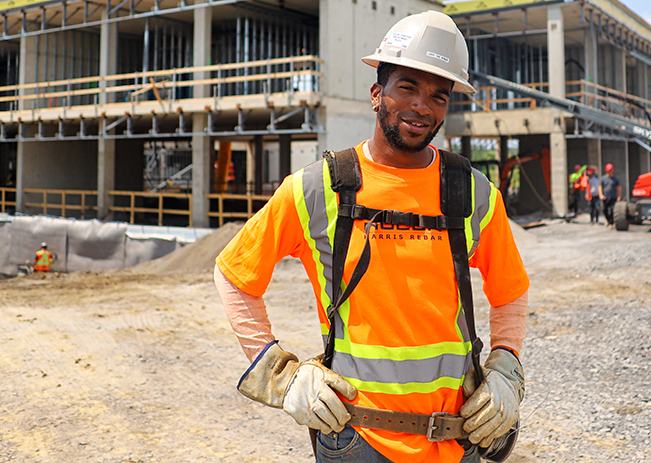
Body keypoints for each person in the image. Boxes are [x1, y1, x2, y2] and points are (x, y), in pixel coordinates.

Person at [215, 10, 530, 463]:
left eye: (438, 96)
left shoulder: (474, 194)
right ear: (376, 93)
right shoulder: (317, 188)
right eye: (407, 87)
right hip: (356, 439)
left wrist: (505, 368)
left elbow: (511, 291)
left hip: (455, 441)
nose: (423, 106)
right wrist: (277, 374)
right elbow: (234, 276)